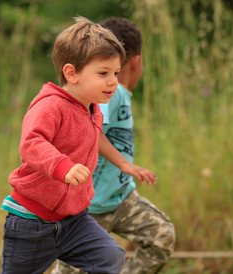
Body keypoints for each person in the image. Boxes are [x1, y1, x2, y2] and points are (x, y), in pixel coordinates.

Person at [0, 16, 127, 274]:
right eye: (103, 73)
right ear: (71, 73)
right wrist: (62, 166)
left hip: (74, 221)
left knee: (110, 256)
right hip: (31, 222)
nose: (113, 81)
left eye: (116, 73)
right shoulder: (51, 105)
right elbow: (31, 142)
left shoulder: (93, 109)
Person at [52, 17, 176, 274]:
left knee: (161, 235)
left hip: (121, 200)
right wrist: (124, 163)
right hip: (88, 209)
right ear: (137, 62)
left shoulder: (118, 92)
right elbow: (90, 129)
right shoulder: (111, 91)